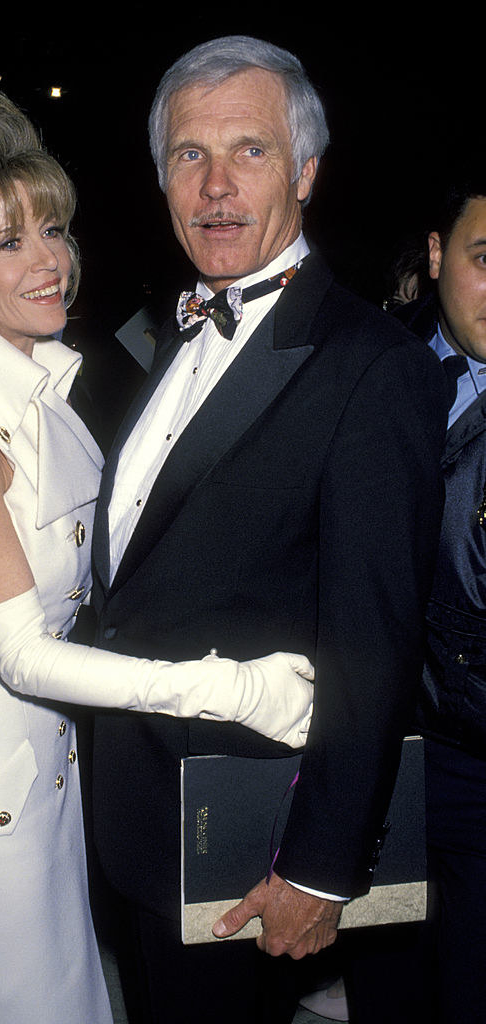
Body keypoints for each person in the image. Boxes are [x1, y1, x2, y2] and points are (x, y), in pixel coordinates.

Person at [0, 76, 317, 1024]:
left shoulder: (39, 395)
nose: (51, 263)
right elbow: (21, 653)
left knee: (69, 995)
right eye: (10, 242)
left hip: (48, 757)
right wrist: (230, 687)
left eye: (55, 230)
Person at [89, 35, 448, 1023]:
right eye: (187, 156)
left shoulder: (373, 369)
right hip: (135, 807)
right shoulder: (173, 333)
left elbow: (372, 641)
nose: (213, 186)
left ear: (306, 170)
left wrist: (326, 869)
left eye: (247, 150)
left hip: (250, 836)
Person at [396, 170, 486, 1024]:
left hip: (475, 758)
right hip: (376, 756)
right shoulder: (371, 376)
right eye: (485, 257)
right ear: (435, 254)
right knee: (389, 982)